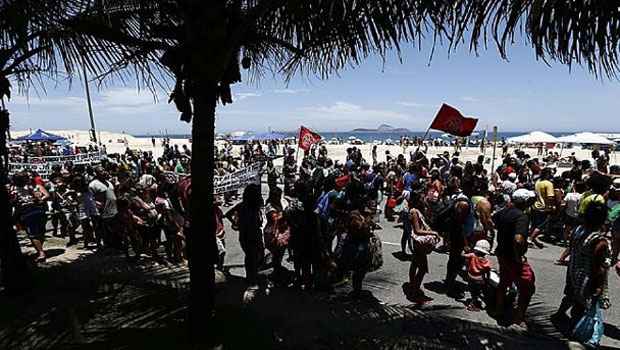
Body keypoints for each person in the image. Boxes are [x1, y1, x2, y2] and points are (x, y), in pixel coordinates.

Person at [555, 201, 612, 344]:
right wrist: (599, 287)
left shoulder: (578, 230)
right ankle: (576, 333)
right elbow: (598, 268)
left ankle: (560, 316)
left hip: (574, 272)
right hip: (587, 278)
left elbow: (572, 249)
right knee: (583, 307)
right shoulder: (599, 241)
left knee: (572, 296)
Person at [492, 189, 536, 327]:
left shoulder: (503, 211)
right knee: (527, 287)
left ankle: (498, 309)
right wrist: (518, 256)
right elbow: (518, 239)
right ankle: (519, 317)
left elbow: (492, 220)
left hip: (502, 253)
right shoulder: (522, 217)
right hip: (513, 257)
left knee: (504, 281)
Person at [403, 193, 440, 304]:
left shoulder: (416, 210)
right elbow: (417, 230)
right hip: (419, 244)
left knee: (414, 264)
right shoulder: (414, 212)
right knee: (422, 269)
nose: (423, 199)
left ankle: (412, 286)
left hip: (417, 243)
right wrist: (432, 232)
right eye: (421, 197)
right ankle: (415, 292)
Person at [11, 171, 50, 262]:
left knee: (34, 234)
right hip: (36, 211)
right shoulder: (27, 188)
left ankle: (40, 252)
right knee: (37, 232)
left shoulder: (16, 189)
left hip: (29, 212)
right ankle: (40, 251)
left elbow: (41, 198)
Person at [464, 239, 492, 311]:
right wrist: (487, 279)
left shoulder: (472, 255)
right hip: (479, 279)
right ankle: (473, 305)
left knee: (473, 292)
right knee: (478, 292)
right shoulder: (486, 261)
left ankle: (474, 301)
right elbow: (487, 271)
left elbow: (463, 255)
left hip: (470, 277)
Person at [530, 168, 555, 248]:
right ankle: (530, 239)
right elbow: (550, 197)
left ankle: (533, 239)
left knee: (534, 224)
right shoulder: (549, 184)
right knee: (541, 226)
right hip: (543, 207)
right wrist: (550, 207)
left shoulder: (538, 183)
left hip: (536, 206)